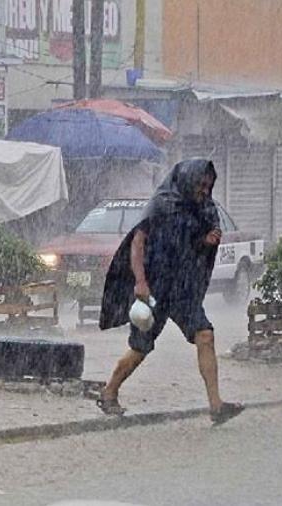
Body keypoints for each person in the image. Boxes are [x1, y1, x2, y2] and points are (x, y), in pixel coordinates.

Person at [97, 159, 244, 425]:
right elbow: (137, 243)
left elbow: (192, 245)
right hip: (155, 286)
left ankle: (216, 406)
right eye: (200, 184)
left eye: (208, 186)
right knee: (140, 348)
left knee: (205, 335)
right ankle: (109, 392)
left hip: (184, 288)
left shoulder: (204, 209)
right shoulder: (161, 204)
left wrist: (206, 241)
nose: (204, 190)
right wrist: (140, 282)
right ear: (187, 179)